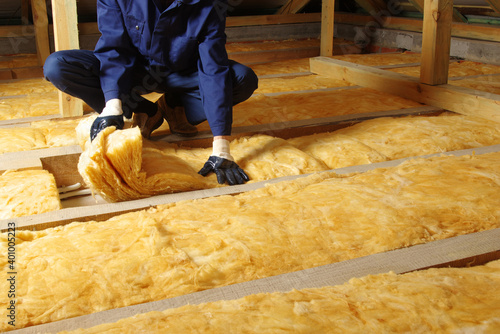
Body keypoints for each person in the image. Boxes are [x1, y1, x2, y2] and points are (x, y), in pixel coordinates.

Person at [43, 0, 258, 186]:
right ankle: (143, 109)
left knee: (242, 79)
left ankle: (175, 105)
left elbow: (213, 67)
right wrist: (113, 105)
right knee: (58, 67)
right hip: (133, 72)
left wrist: (221, 146)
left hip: (182, 74)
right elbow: (114, 49)